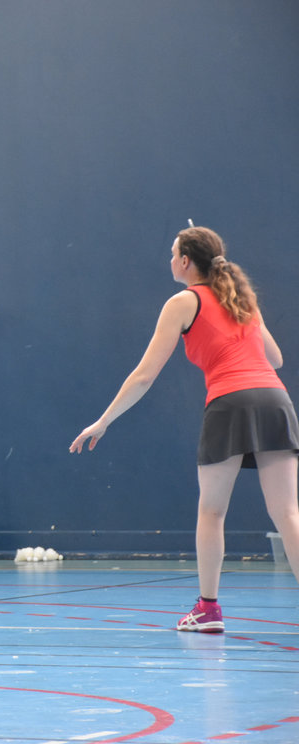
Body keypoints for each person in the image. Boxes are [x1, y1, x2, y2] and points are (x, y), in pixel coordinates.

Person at [70, 226, 299, 632]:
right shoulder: (242, 299)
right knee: (287, 513)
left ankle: (208, 610)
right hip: (276, 400)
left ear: (187, 262)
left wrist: (104, 420)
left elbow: (144, 376)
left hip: (229, 403)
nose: (170, 260)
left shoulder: (182, 302)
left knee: (212, 511)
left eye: (174, 253)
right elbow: (276, 359)